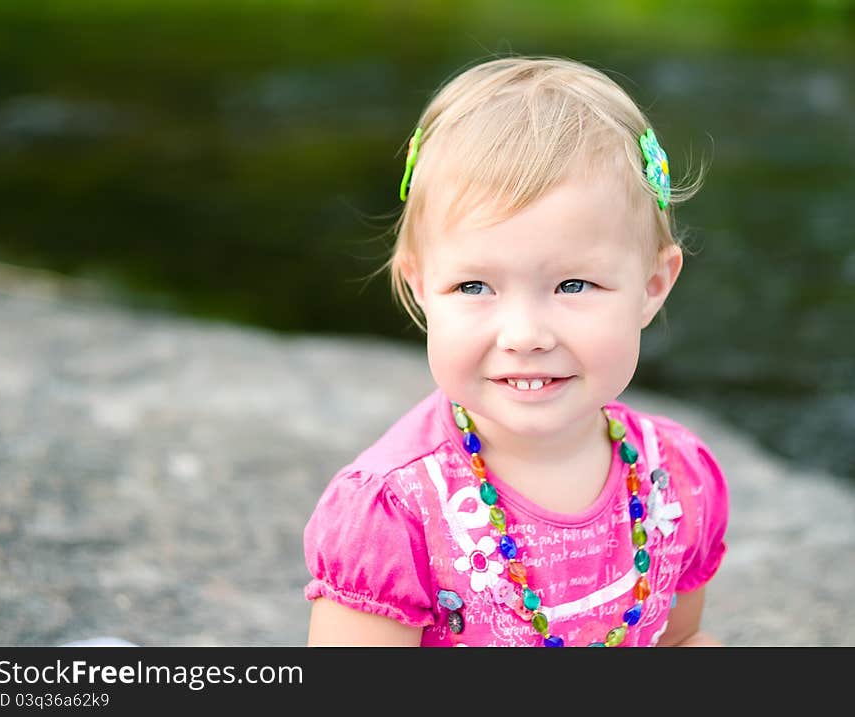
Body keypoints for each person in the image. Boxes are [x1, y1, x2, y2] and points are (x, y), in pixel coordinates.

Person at [303, 55, 728, 647]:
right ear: (422, 286)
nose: (524, 334)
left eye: (573, 285)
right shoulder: (394, 516)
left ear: (653, 286)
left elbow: (682, 642)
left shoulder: (675, 483)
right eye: (474, 287)